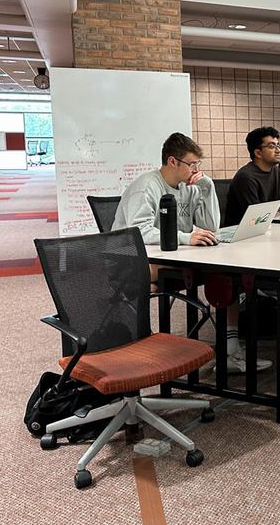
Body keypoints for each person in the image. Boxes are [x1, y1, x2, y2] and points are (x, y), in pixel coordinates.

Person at [112, 132, 270, 374]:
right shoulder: (146, 187)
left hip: (174, 256)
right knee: (224, 272)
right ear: (173, 161)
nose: (196, 170)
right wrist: (186, 238)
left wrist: (207, 189)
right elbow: (138, 232)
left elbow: (211, 226)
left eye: (198, 164)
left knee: (230, 272)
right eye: (192, 164)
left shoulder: (190, 187)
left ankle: (229, 350)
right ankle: (229, 351)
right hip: (134, 261)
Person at [225, 126, 280, 227]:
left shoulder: (277, 171)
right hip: (241, 234)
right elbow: (256, 218)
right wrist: (274, 213)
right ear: (258, 153)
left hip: (266, 228)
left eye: (278, 146)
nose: (278, 150)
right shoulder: (246, 177)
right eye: (272, 146)